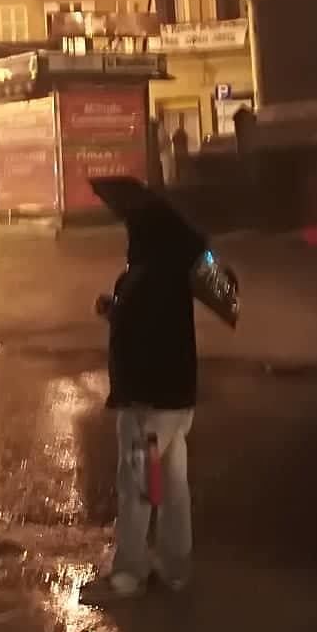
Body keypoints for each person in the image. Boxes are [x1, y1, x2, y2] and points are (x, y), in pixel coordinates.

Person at [82, 206, 198, 605]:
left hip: (148, 406)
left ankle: (130, 573)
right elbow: (151, 329)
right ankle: (176, 567)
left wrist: (115, 309)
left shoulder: (143, 279)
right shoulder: (175, 276)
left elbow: (139, 335)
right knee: (171, 484)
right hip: (175, 403)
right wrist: (117, 310)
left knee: (138, 485)